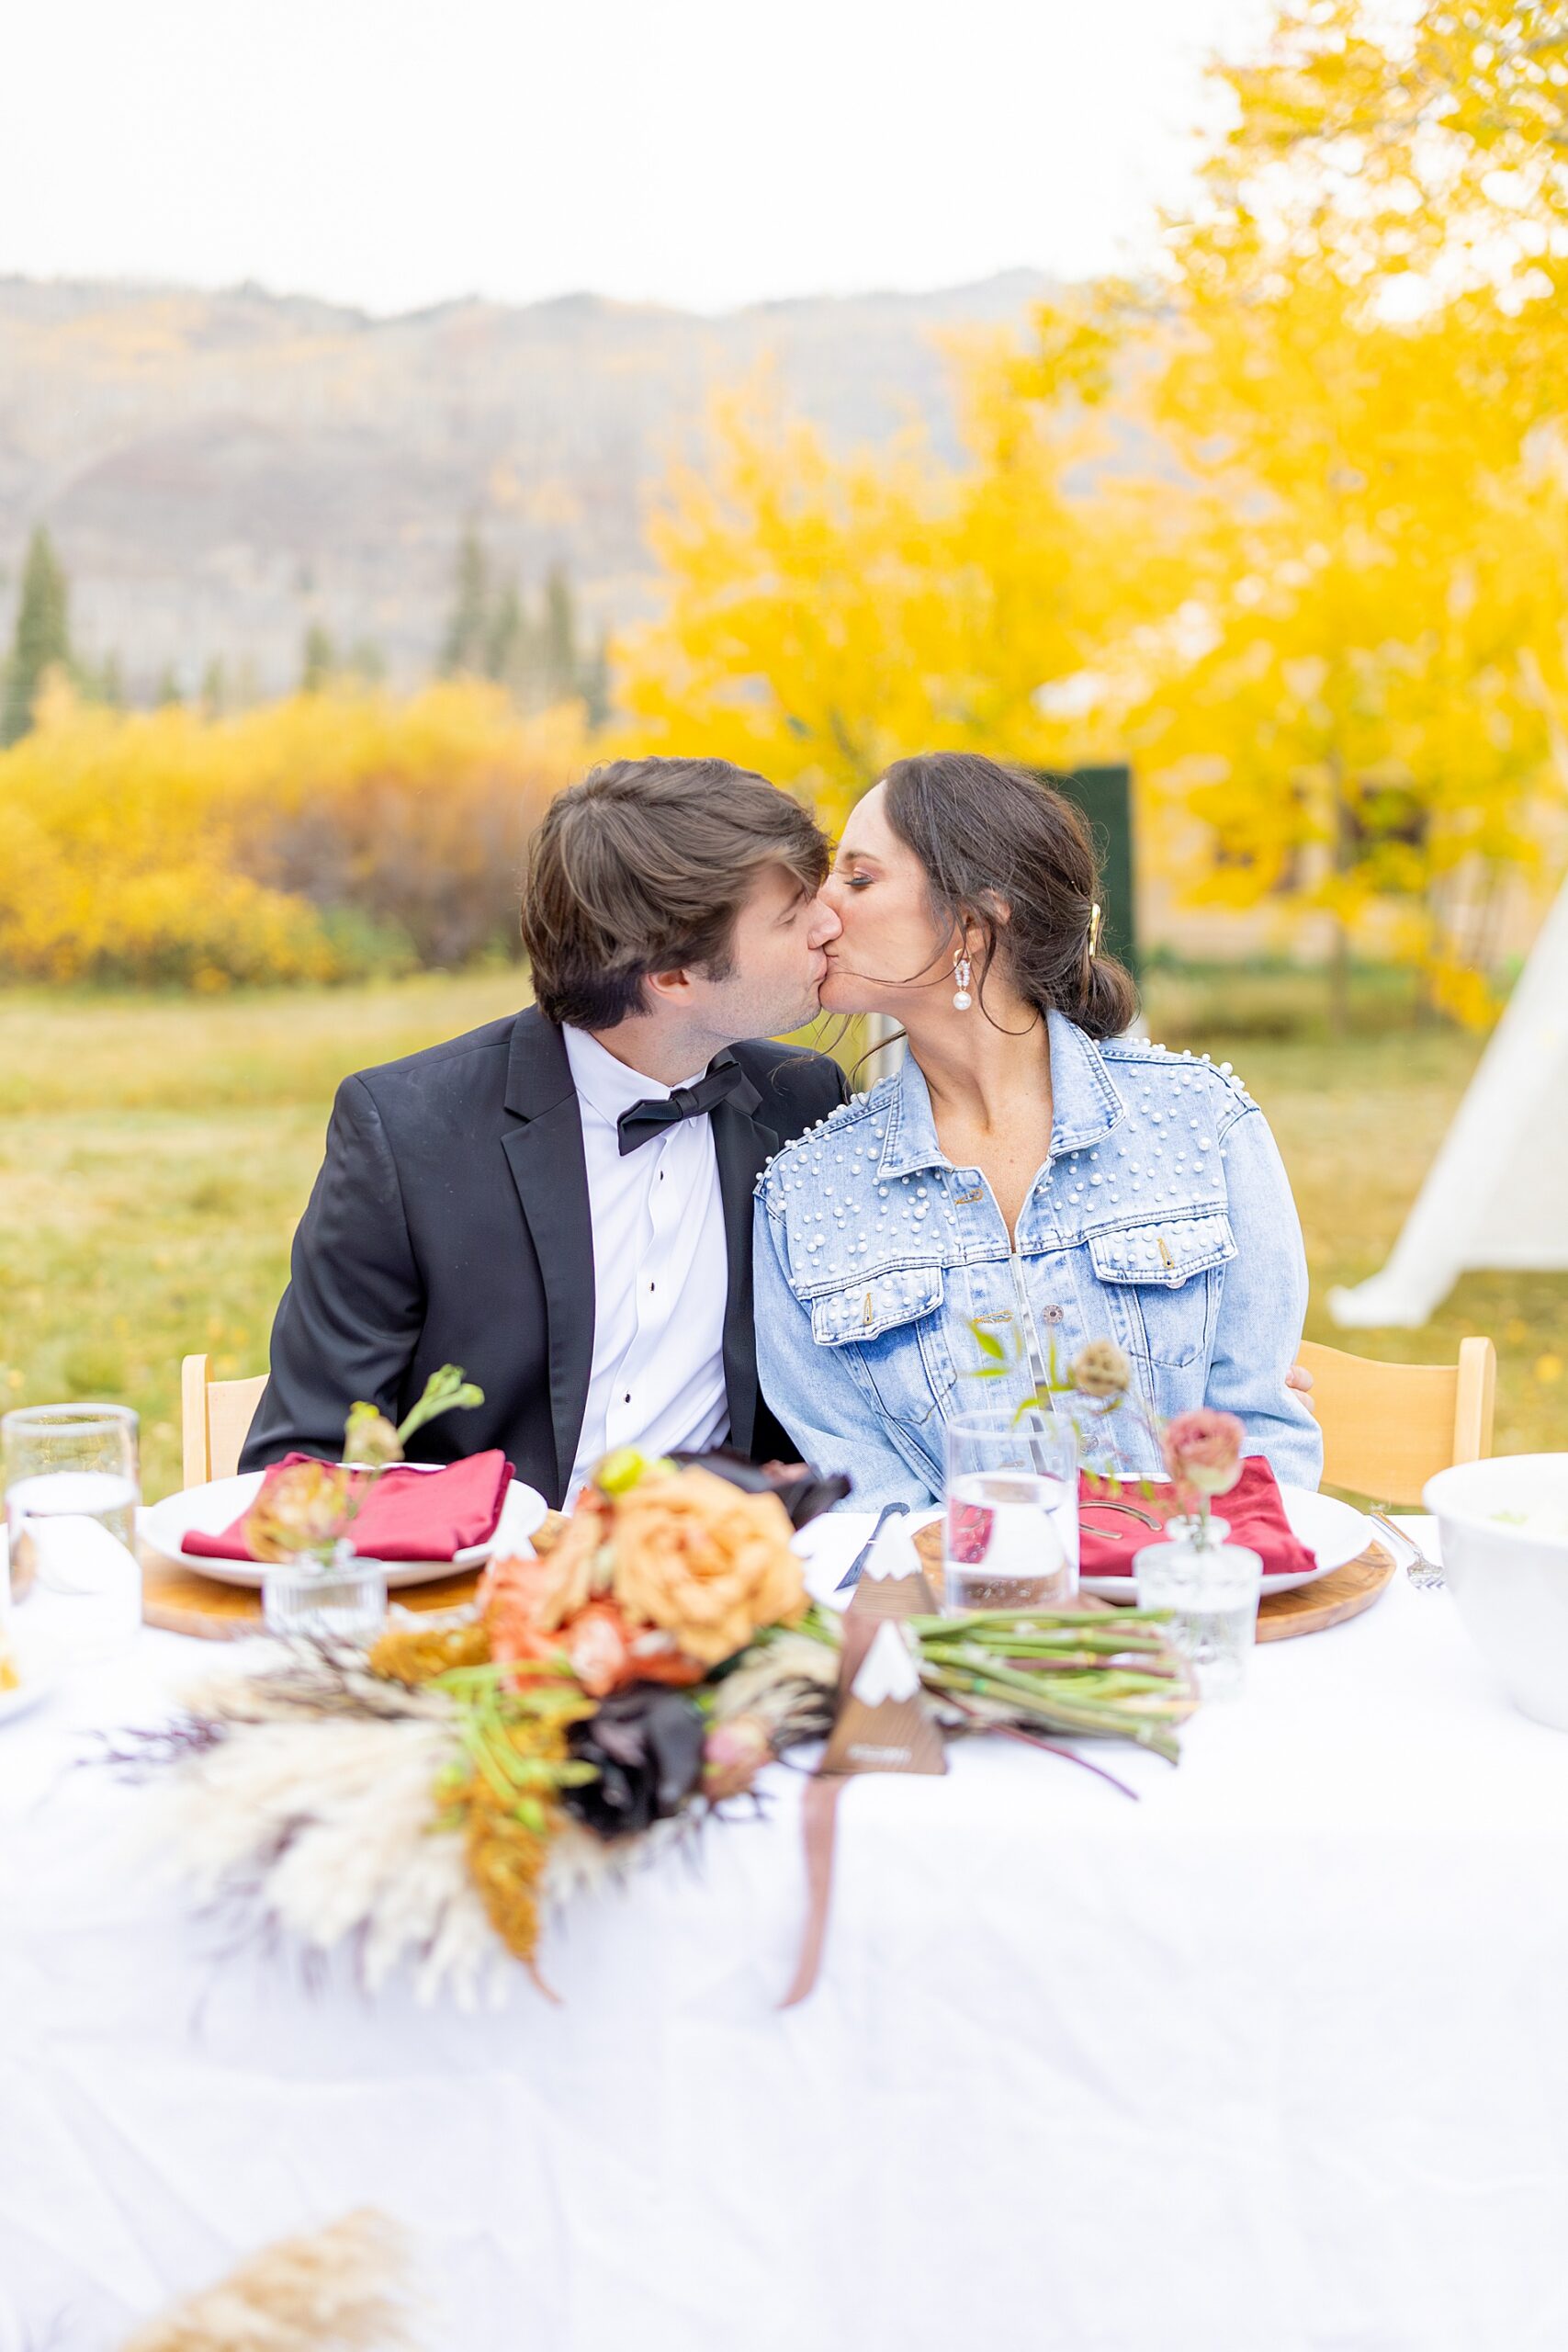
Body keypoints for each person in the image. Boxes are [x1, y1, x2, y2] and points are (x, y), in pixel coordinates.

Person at [242, 757, 847, 1506]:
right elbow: (305, 1461)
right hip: (484, 1583)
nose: (829, 924)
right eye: (791, 917)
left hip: (724, 1580)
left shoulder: (803, 1102)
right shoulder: (406, 1133)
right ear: (674, 976)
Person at [753, 752, 1325, 1510]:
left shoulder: (1202, 1122)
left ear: (974, 918)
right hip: (961, 1616)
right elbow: (865, 1500)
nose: (821, 913)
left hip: (1186, 1599)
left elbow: (1260, 1438)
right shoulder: (804, 1192)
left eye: (859, 879)